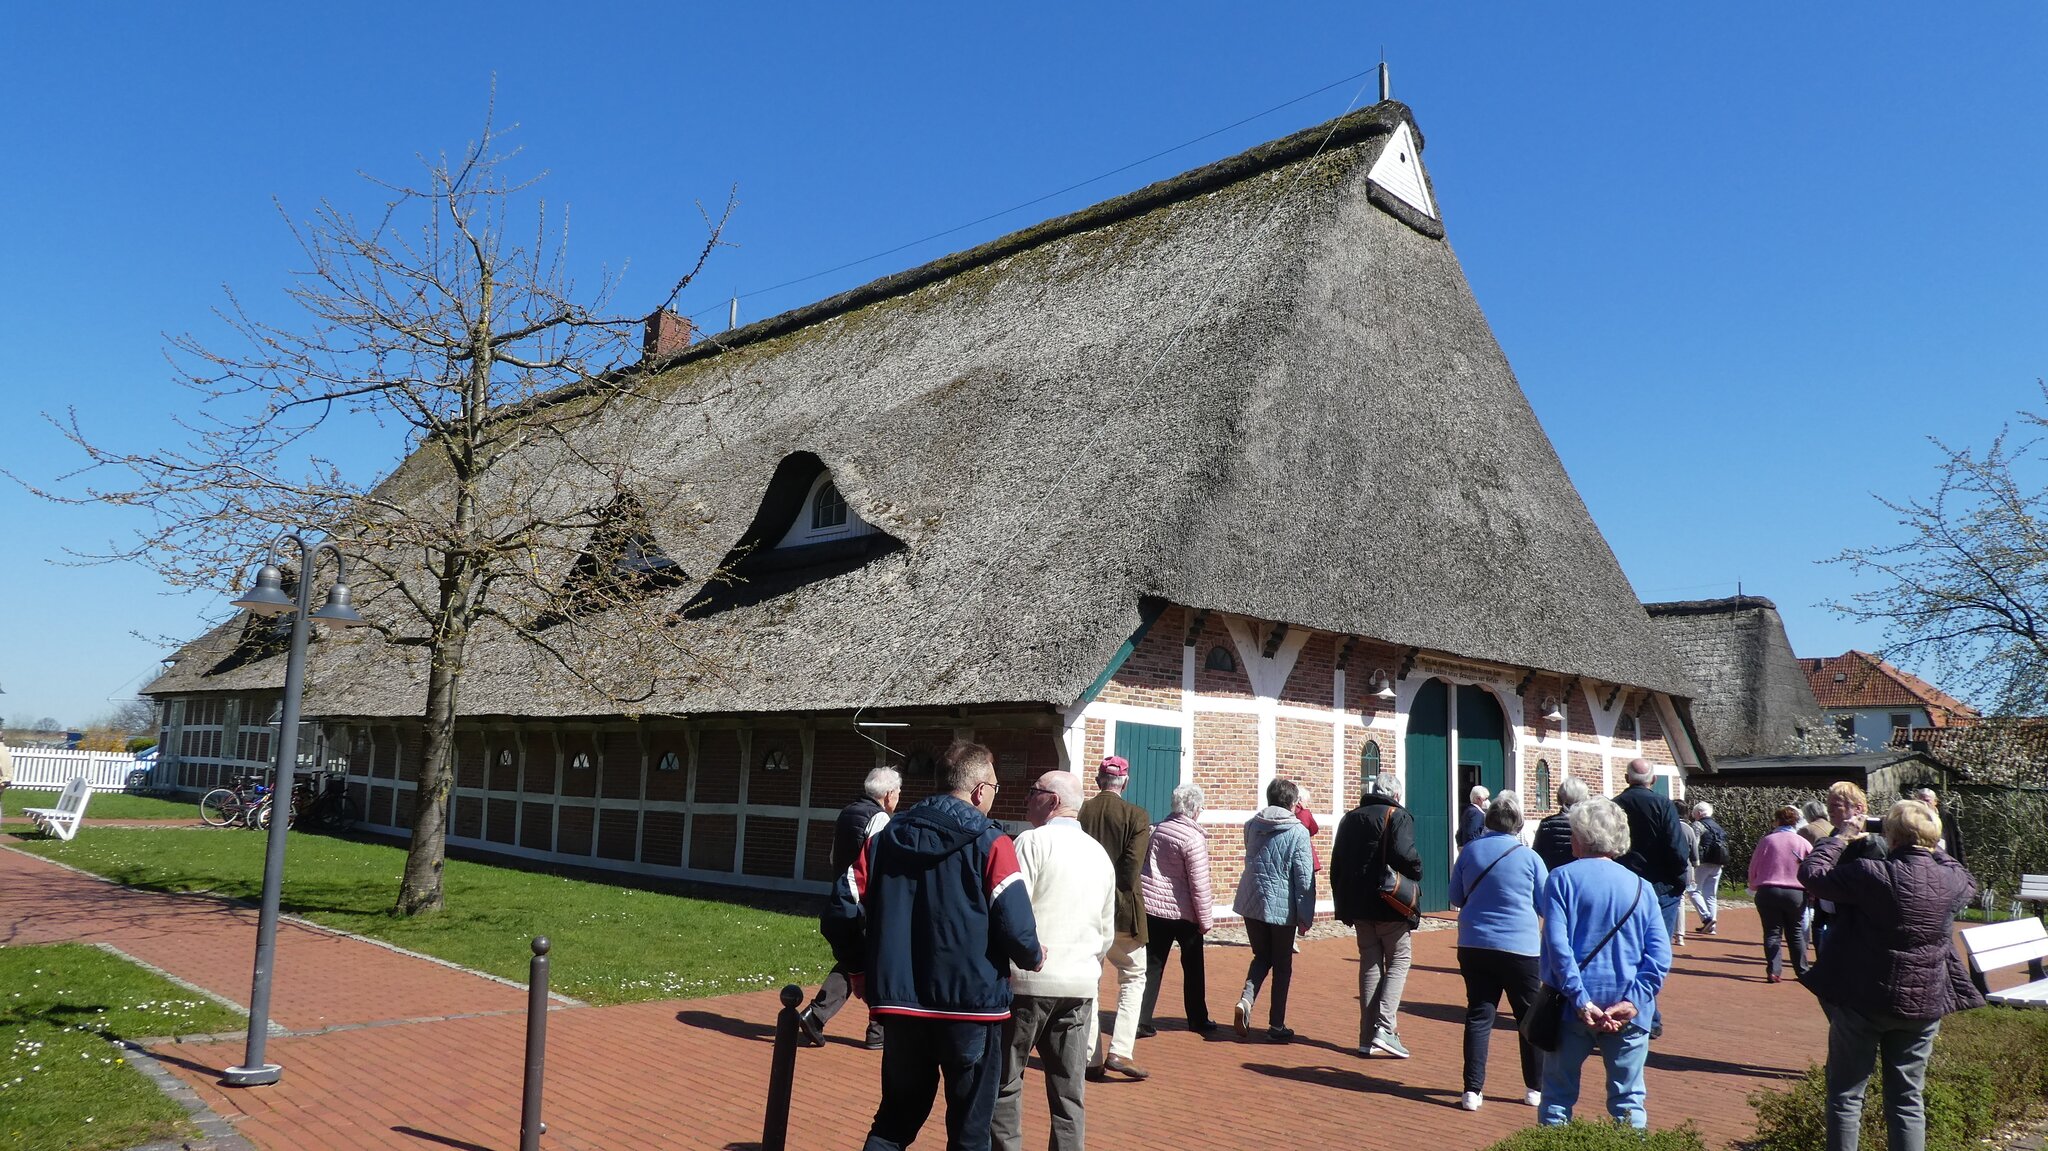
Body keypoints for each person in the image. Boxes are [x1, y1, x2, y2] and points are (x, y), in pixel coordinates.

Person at [834, 740, 1044, 1151]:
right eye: (995, 788)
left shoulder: (884, 838)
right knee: (970, 1131)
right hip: (972, 1008)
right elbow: (1016, 924)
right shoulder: (992, 842)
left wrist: (858, 968)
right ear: (980, 791)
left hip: (902, 1007)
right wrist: (1033, 955)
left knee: (893, 1123)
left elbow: (842, 908)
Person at [1800, 799, 1984, 1151]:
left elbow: (1813, 875)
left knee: (1846, 1096)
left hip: (1864, 998)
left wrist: (1840, 837)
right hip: (1924, 1003)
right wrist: (1932, 845)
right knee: (1907, 1098)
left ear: (1892, 837)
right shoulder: (1952, 880)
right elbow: (1964, 874)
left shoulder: (1872, 873)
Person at [993, 772, 1114, 1151]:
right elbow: (1106, 932)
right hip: (1079, 985)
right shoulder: (1099, 853)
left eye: (1034, 792)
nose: (1027, 798)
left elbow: (1012, 913)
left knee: (1005, 1083)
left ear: (1053, 801)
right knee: (1069, 1093)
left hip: (1029, 983)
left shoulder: (1031, 842)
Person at [1536, 797, 1672, 1130]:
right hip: (1627, 1009)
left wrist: (1580, 999)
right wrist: (1635, 1001)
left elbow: (1558, 946)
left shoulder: (1561, 878)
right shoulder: (1642, 887)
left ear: (1581, 837)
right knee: (1629, 1101)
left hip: (1570, 1008)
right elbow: (1659, 953)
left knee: (1557, 1099)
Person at [1447, 790, 1549, 1112]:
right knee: (1528, 1017)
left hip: (1475, 943)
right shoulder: (1530, 858)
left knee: (1479, 1015)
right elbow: (1544, 904)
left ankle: (1472, 1090)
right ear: (1518, 824)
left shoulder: (1469, 852)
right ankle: (1534, 1088)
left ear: (1489, 821)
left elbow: (1456, 897)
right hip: (1520, 947)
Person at [800, 766, 902, 1048]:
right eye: (898, 792)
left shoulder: (847, 813)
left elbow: (834, 856)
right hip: (864, 901)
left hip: (844, 895)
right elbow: (879, 863)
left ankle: (816, 1016)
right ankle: (876, 1031)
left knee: (855, 959)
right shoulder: (880, 818)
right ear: (889, 794)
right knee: (879, 960)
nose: (898, 798)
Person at [1330, 773, 1423, 1058]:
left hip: (1360, 906)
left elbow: (1337, 864)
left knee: (1370, 965)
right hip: (1390, 903)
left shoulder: (1349, 818)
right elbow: (1405, 855)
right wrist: (1417, 869)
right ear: (1396, 795)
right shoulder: (1397, 816)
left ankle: (1366, 1036)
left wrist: (1343, 905)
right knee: (1399, 960)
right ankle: (1385, 1028)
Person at [1077, 755, 1152, 1081]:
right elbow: (1131, 870)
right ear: (1126, 782)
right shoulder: (1136, 815)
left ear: (1098, 781)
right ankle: (1120, 1050)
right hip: (1122, 912)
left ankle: (1091, 1057)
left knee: (1091, 981)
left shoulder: (1082, 812)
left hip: (1086, 908)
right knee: (1133, 977)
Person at [1229, 777, 1315, 1043]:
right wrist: (1306, 916)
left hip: (1251, 900)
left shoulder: (1252, 825)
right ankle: (1276, 1025)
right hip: (1281, 907)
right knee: (1282, 965)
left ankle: (1246, 1000)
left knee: (1261, 956)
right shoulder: (1298, 831)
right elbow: (1304, 878)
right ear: (1292, 803)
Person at [1612, 759, 1689, 1036]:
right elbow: (1677, 848)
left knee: (1627, 950)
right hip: (1660, 887)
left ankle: (1635, 1010)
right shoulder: (1663, 805)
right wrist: (1678, 880)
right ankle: (1647, 1016)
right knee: (1655, 952)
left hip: (1626, 887)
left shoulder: (1615, 805)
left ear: (1626, 778)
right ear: (1653, 780)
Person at [1138, 782, 1216, 1037]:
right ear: (1194, 809)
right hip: (1184, 914)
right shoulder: (1194, 839)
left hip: (1154, 909)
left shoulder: (1157, 829)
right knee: (1193, 967)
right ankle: (1197, 1019)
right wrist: (1205, 920)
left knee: (1152, 965)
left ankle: (1140, 1019)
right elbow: (1199, 884)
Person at [1747, 805, 1812, 983]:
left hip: (1768, 890)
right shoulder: (1802, 842)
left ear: (1777, 821)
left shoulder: (1767, 841)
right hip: (1795, 892)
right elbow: (1811, 866)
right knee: (1795, 932)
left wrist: (1753, 885)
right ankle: (1802, 970)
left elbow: (1754, 865)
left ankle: (1774, 970)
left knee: (1772, 932)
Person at [1688, 801, 1728, 936]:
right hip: (1718, 863)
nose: (1694, 816)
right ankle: (1712, 926)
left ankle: (1707, 918)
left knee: (1693, 889)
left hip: (1703, 863)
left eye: (1694, 814)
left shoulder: (1698, 825)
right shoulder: (1718, 826)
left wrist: (1693, 861)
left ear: (1699, 813)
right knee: (1710, 894)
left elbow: (1694, 844)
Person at [1533, 776, 1588, 873]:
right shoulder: (1589, 824)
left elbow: (1537, 855)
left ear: (1559, 798)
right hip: (1582, 874)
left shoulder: (1547, 824)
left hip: (1553, 873)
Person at [1914, 788, 1967, 868]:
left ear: (1935, 802)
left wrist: (1963, 866)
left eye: (1927, 801)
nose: (1924, 804)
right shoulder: (1912, 820)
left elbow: (1958, 842)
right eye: (1920, 802)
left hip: (1947, 863)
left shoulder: (1947, 818)